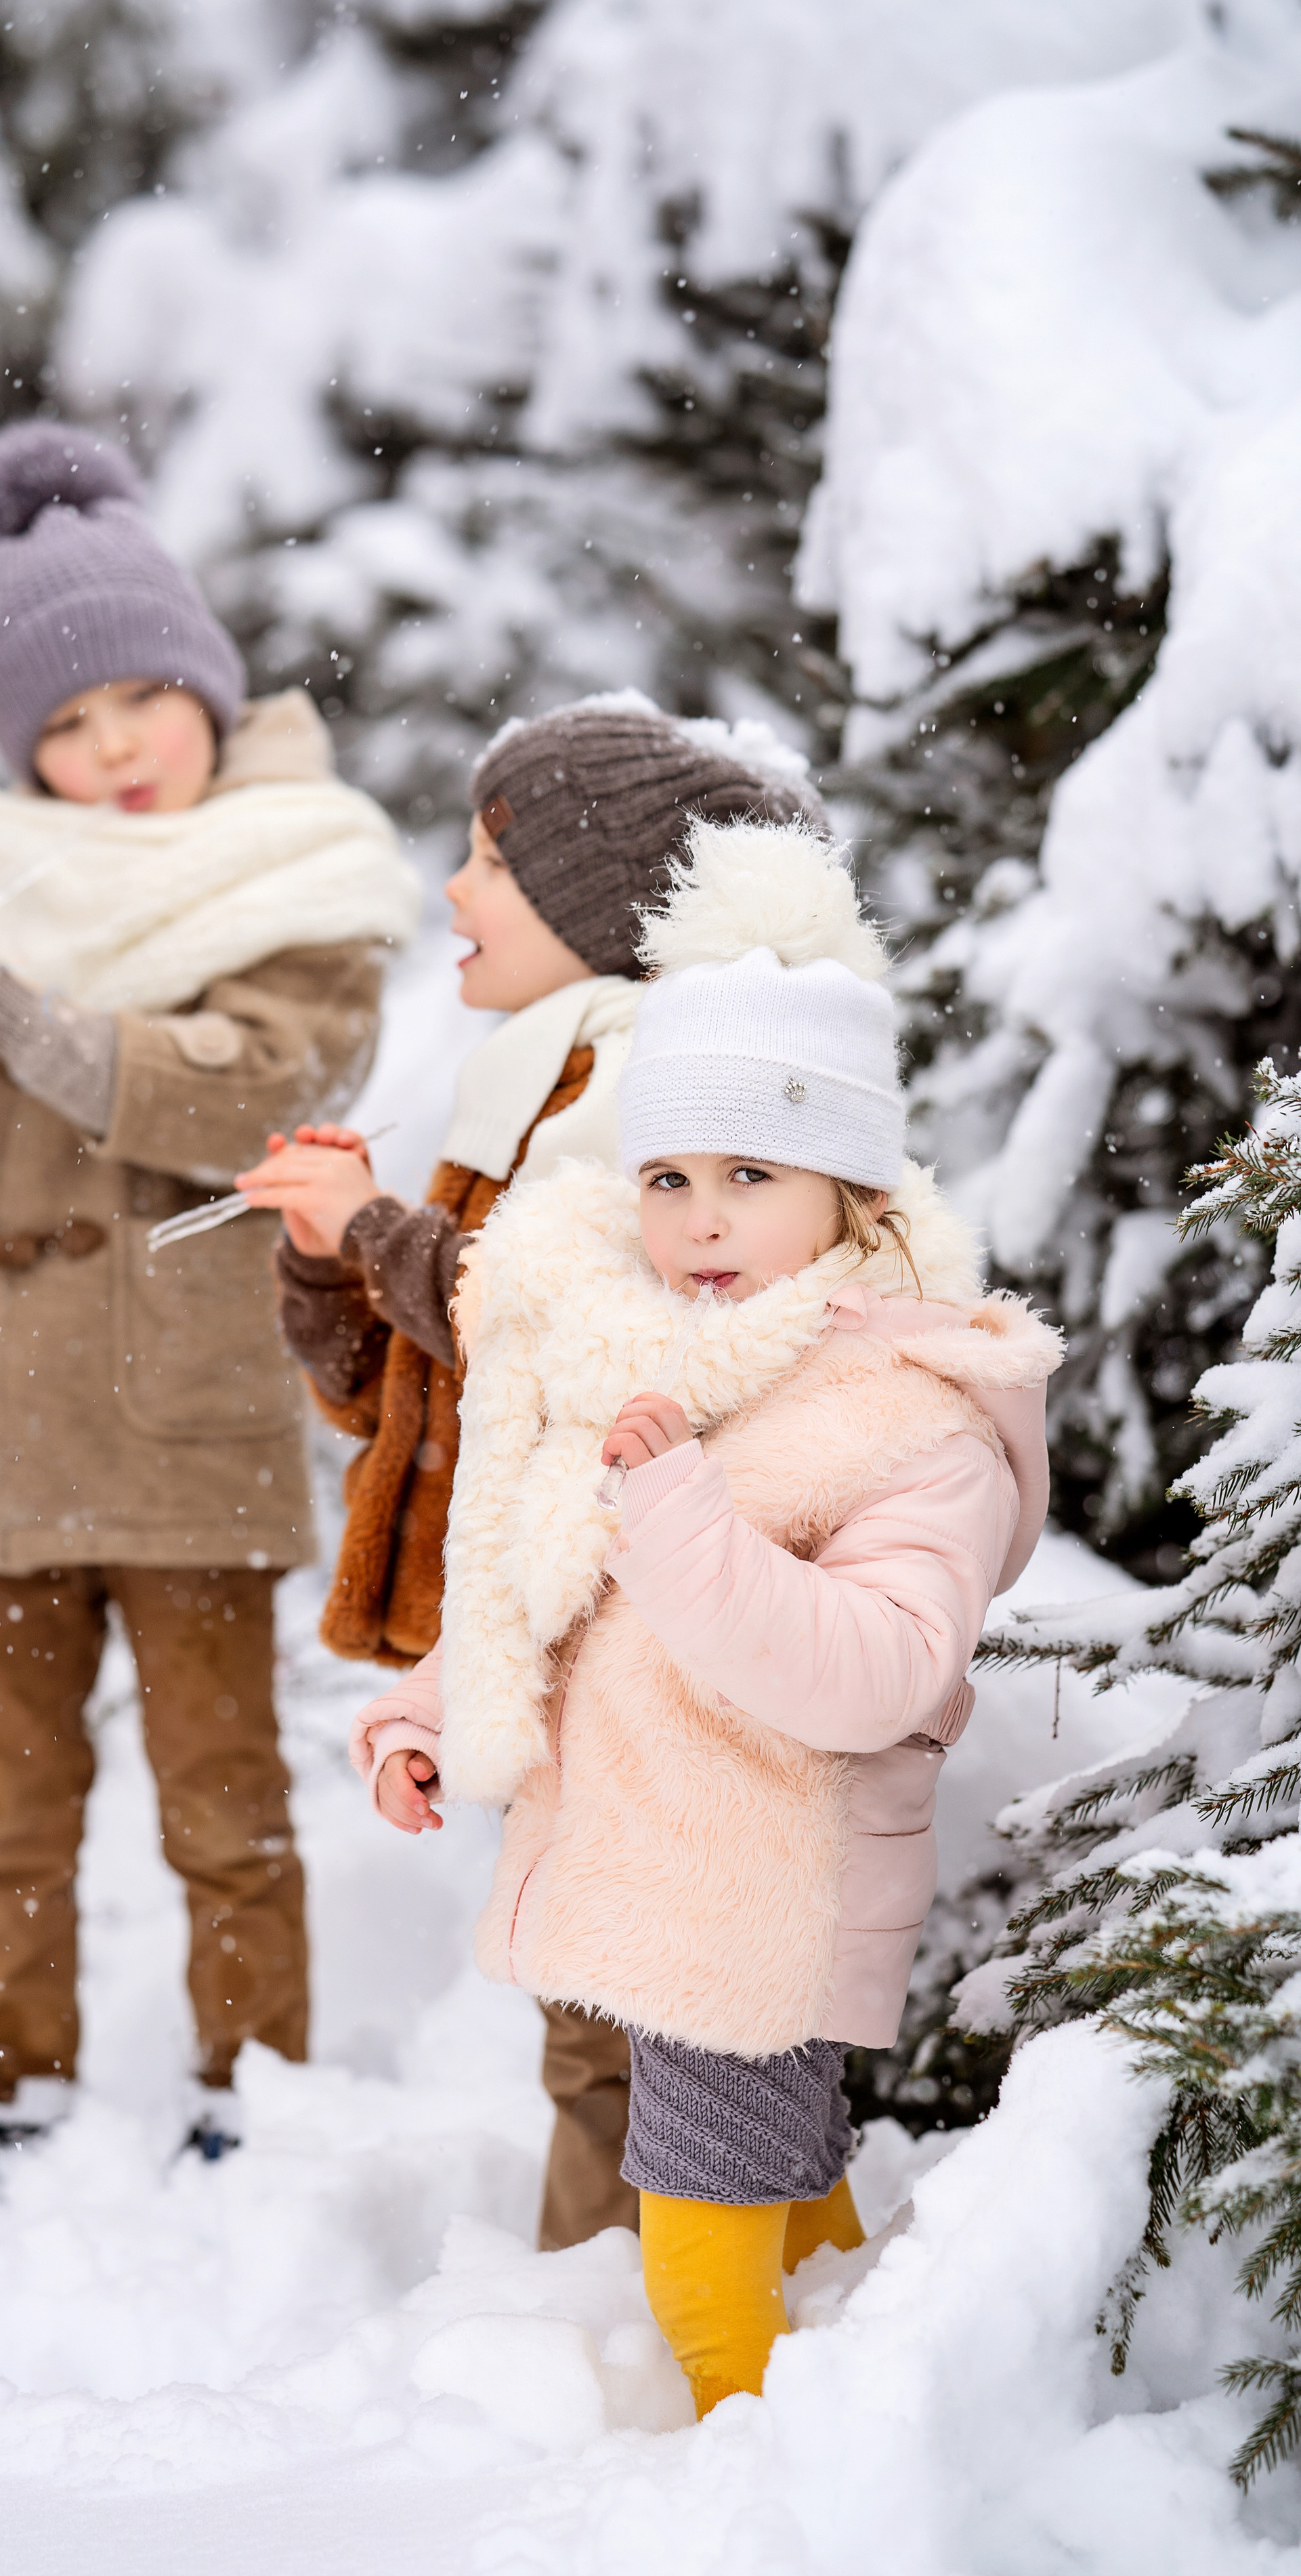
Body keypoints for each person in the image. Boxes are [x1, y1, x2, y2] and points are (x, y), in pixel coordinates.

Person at [349, 829, 1061, 2415]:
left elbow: (877, 1669)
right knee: (789, 2213)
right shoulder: (654, 1356)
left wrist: (677, 1512)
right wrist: (421, 1714)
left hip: (758, 1906)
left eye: (751, 1175)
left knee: (696, 2267)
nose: (701, 1219)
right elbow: (547, 1580)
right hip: (668, 1881)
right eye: (668, 1177)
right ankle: (857, 2407)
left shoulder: (908, 1413)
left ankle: (754, 2471)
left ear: (849, 1191)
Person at [0, 420, 419, 2166]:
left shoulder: (291, 886)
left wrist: (4, 1002)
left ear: (204, 684)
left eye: (139, 695)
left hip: (178, 1430)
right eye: (64, 722)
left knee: (222, 1803)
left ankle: (251, 2098)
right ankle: (15, 2092)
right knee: (2, 1813)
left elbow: (242, 1096)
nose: (112, 746)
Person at [235, 695, 828, 2250]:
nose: (454, 889)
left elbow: (572, 1344)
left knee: (618, 2014)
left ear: (599, 901)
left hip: (624, 1626)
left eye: (493, 860)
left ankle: (629, 2317)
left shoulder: (652, 1100)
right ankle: (652, 2291)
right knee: (593, 1997)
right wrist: (328, 1258)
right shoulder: (531, 1086)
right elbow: (411, 1396)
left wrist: (378, 1234)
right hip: (546, 1619)